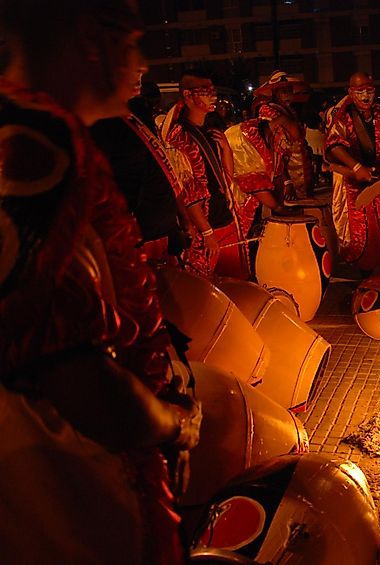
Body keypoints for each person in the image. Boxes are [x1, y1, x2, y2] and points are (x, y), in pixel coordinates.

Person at [0, 1, 200, 562]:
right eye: (132, 42)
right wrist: (173, 427)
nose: (140, 62)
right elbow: (69, 371)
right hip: (55, 496)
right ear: (92, 36)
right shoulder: (34, 140)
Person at [91, 79, 190, 265]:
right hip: (138, 238)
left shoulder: (137, 114)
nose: (139, 69)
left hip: (165, 231)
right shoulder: (100, 119)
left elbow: (160, 168)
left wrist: (182, 219)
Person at [162, 70, 249, 279]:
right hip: (203, 227)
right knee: (206, 286)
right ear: (188, 96)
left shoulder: (210, 129)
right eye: (205, 91)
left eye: (213, 91)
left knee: (234, 283)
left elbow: (225, 177)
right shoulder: (180, 136)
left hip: (223, 217)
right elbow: (186, 191)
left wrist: (226, 150)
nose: (213, 96)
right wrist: (207, 233)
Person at [325, 72, 380, 271]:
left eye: (369, 91)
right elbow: (334, 145)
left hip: (379, 178)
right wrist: (355, 167)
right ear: (350, 92)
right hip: (350, 180)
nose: (365, 96)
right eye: (360, 91)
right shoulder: (340, 115)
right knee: (356, 229)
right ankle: (358, 271)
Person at [224, 113, 290, 239]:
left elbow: (277, 173)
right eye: (288, 139)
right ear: (278, 129)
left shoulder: (271, 139)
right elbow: (253, 183)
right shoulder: (242, 138)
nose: (288, 145)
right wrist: (279, 208)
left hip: (253, 206)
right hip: (238, 205)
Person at [252, 71, 315, 200]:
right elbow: (273, 148)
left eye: (290, 91)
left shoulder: (289, 110)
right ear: (275, 93)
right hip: (285, 174)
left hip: (301, 171)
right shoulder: (268, 110)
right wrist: (287, 181)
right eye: (284, 92)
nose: (288, 95)